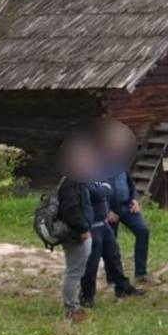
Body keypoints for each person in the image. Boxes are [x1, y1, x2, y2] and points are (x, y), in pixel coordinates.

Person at [99, 120, 151, 285]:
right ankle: (112, 278)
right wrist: (106, 211)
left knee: (143, 231)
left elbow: (131, 184)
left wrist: (135, 199)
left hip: (126, 206)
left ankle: (141, 273)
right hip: (110, 210)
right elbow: (96, 191)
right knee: (111, 245)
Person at [55, 137, 97, 322]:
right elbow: (71, 210)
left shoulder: (76, 179)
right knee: (74, 272)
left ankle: (73, 306)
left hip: (79, 232)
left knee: (76, 271)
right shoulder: (71, 182)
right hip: (75, 234)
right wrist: (82, 229)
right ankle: (71, 308)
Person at [81, 176, 138, 306]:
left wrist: (104, 189)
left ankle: (123, 287)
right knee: (92, 263)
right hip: (92, 227)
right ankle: (87, 297)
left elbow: (108, 190)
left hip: (104, 225)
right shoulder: (82, 179)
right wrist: (104, 189)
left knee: (114, 256)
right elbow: (97, 193)